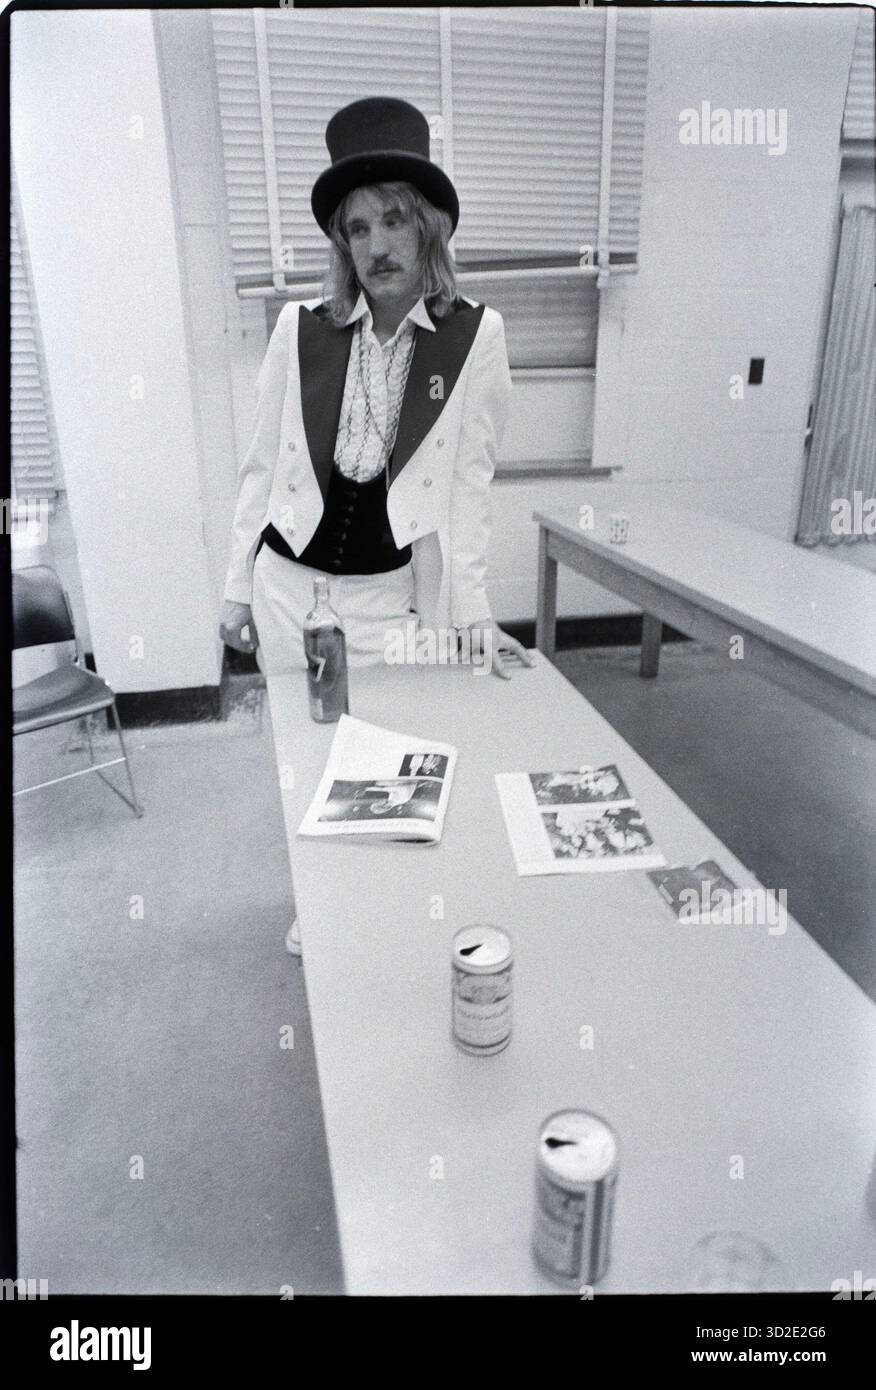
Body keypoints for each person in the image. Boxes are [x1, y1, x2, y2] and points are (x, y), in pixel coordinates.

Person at [219, 96, 533, 954]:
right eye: (357, 229)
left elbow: (470, 493)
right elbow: (259, 466)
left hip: (387, 597)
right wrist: (236, 588)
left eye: (394, 220)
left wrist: (471, 620)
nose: (377, 245)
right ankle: (318, 900)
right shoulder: (301, 328)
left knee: (388, 758)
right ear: (342, 247)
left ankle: (380, 900)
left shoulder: (475, 337)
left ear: (429, 228)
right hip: (289, 588)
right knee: (304, 758)